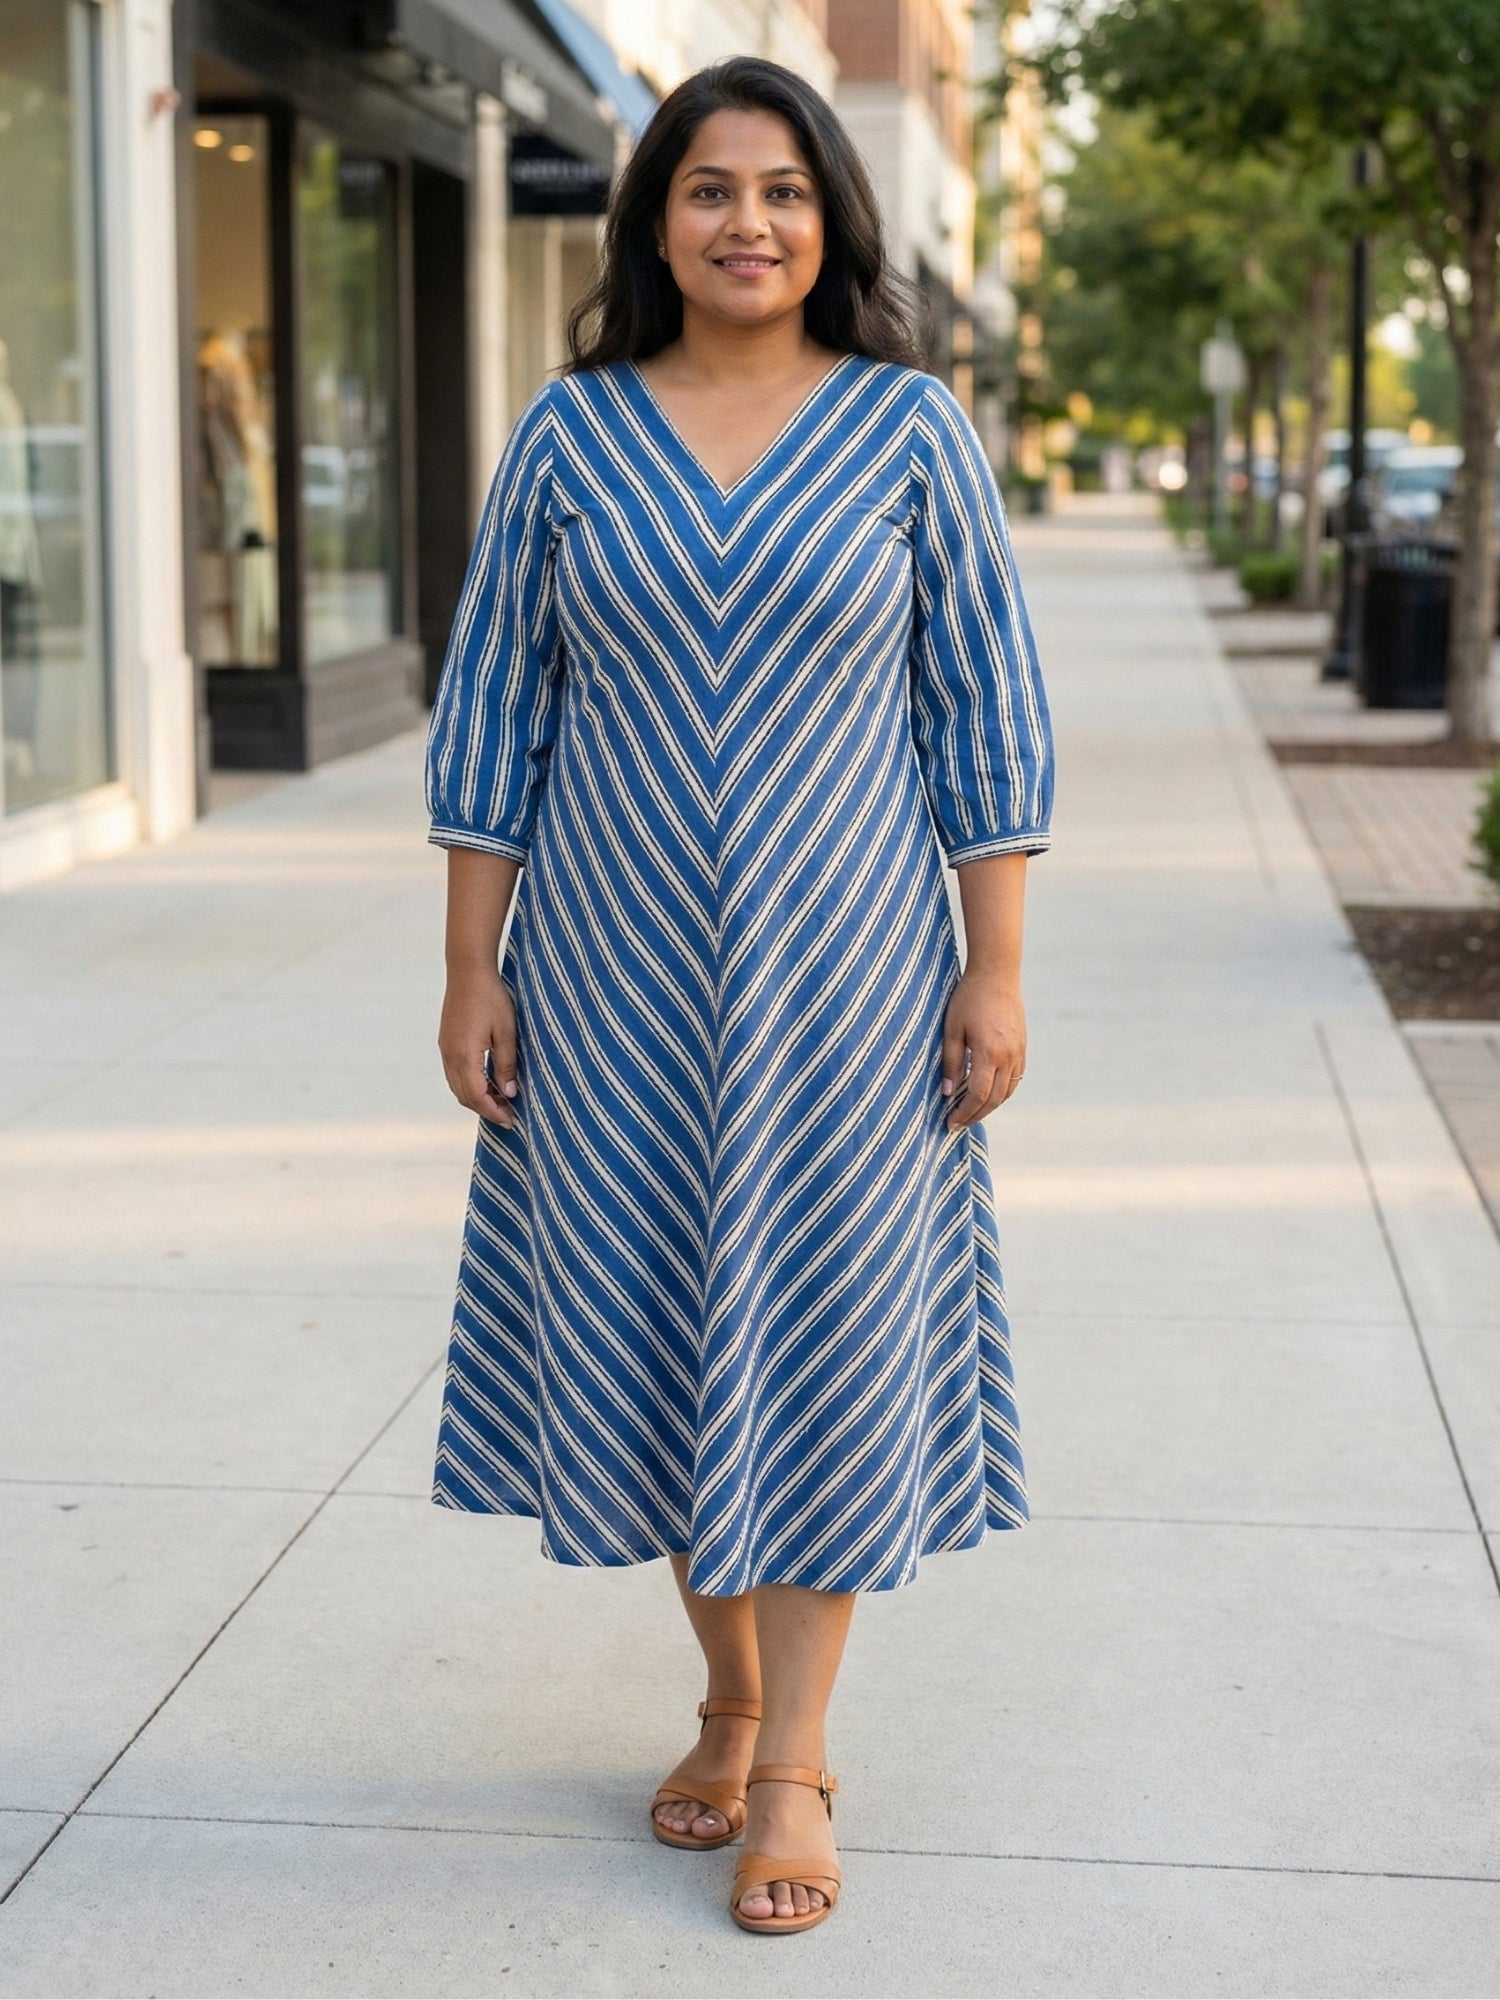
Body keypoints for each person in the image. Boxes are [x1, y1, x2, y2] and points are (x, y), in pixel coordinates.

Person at [425, 55, 1055, 1938]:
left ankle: (795, 1766)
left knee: (821, 1346)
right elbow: (495, 710)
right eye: (710, 189)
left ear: (831, 221)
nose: (750, 222)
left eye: (784, 190)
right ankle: (726, 1703)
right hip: (609, 982)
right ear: (654, 220)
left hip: (851, 986)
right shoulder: (569, 433)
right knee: (655, 1337)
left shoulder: (910, 432)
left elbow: (985, 712)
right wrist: (473, 964)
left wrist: (996, 969)